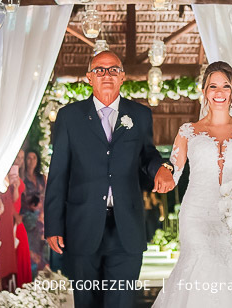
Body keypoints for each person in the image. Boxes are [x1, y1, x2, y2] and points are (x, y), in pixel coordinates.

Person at [44, 50, 174, 308]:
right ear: (89, 77)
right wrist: (53, 225)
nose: (107, 75)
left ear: (122, 77)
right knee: (86, 302)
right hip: (82, 225)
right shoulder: (69, 117)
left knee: (121, 302)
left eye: (113, 69)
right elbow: (58, 172)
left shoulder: (140, 115)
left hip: (127, 226)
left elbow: (147, 155)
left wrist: (161, 167)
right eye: (100, 70)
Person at [153, 61, 232, 307]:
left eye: (225, 86)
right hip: (196, 214)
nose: (219, 92)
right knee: (200, 267)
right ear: (204, 91)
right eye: (213, 86)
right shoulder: (188, 131)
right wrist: (163, 173)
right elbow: (174, 170)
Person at [0, 153, 32, 289]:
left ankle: (20, 285)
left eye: (22, 158)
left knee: (20, 250)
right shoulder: (3, 175)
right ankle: (11, 284)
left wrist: (16, 187)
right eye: (17, 157)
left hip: (16, 218)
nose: (19, 160)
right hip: (7, 218)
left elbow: (16, 200)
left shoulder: (18, 178)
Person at [22, 149, 48, 275]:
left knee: (43, 246)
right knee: (30, 249)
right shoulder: (22, 178)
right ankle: (31, 277)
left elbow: (48, 197)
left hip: (41, 217)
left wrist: (42, 213)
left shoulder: (41, 178)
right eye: (29, 158)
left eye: (34, 158)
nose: (31, 161)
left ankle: (43, 275)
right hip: (27, 216)